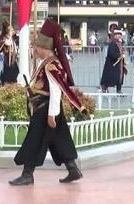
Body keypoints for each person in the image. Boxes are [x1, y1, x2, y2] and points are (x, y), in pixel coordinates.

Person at [10, 19, 85, 186]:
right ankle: (73, 169)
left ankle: (27, 174)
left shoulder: (51, 65)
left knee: (34, 140)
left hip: (46, 108)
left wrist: (52, 114)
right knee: (59, 139)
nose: (35, 50)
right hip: (47, 107)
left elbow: (56, 90)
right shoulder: (49, 63)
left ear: (45, 48)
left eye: (38, 47)